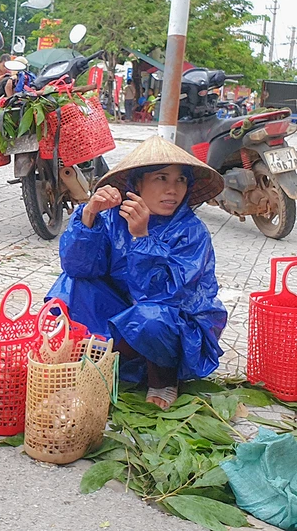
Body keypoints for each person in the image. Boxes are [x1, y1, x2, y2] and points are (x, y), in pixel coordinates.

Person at [47, 136, 227, 411]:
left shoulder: (192, 231)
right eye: (161, 178)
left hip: (174, 324)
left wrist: (142, 238)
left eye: (180, 180)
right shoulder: (112, 217)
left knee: (149, 317)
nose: (172, 189)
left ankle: (162, 379)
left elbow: (163, 296)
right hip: (124, 313)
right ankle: (100, 355)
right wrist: (89, 216)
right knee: (72, 284)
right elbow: (77, 266)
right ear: (137, 184)